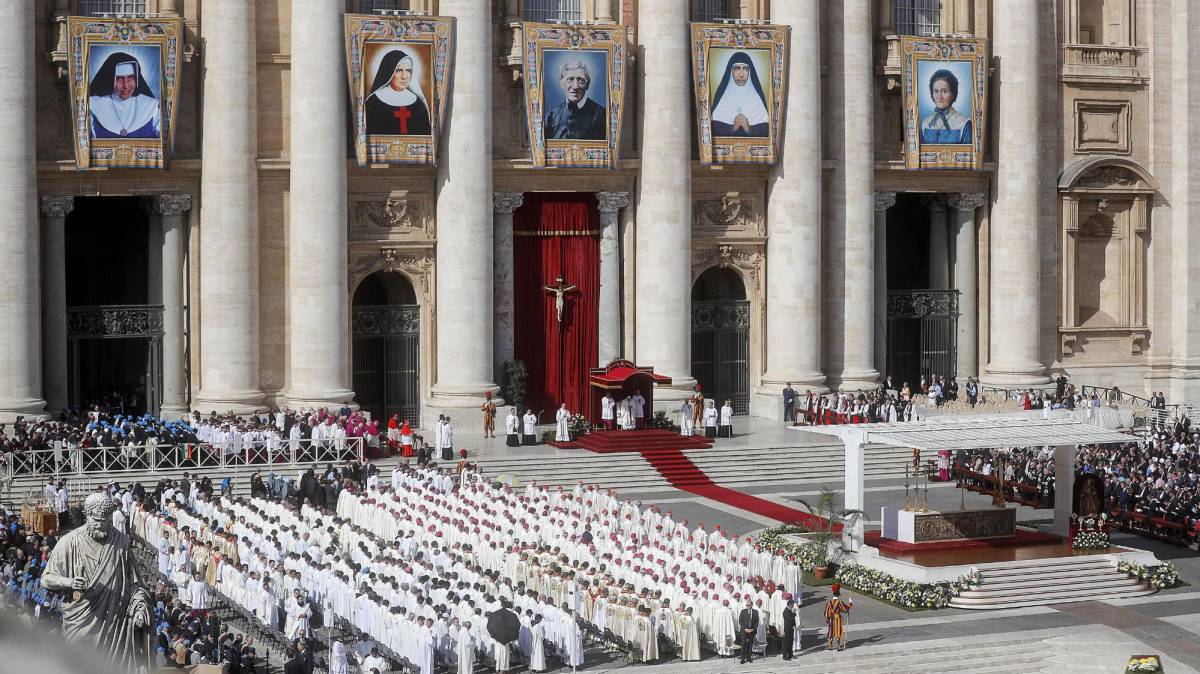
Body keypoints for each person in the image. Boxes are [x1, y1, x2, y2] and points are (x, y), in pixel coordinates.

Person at [42, 492, 155, 669]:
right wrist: (69, 582)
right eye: (96, 520)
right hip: (79, 620)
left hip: (113, 623)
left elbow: (134, 584)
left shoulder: (121, 542)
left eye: (105, 520)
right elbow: (46, 579)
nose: (101, 524)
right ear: (87, 515)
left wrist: (140, 606)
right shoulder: (69, 542)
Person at [88, 52, 161, 139]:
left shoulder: (151, 106)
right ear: (110, 79)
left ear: (137, 79)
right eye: (119, 79)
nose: (126, 86)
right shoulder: (93, 106)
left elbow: (163, 141)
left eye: (130, 77)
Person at [365, 49, 432, 135]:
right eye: (399, 70)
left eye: (408, 71)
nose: (404, 76)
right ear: (389, 73)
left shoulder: (418, 104)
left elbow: (425, 136)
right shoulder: (373, 102)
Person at [544, 58, 606, 140]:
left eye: (580, 80)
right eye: (570, 79)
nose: (575, 86)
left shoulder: (602, 116)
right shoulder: (551, 117)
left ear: (588, 84)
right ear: (561, 83)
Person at [710, 51, 769, 137]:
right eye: (737, 68)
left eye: (745, 69)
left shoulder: (758, 100)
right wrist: (732, 129)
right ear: (731, 71)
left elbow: (766, 133)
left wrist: (749, 129)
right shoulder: (722, 98)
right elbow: (712, 132)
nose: (741, 74)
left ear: (750, 72)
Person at [920, 69, 971, 144]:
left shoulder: (964, 124)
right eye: (936, 91)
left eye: (944, 91)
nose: (939, 97)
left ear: (953, 94)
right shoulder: (925, 123)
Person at [824, 583, 852, 651]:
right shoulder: (839, 602)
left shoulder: (829, 602)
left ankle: (830, 645)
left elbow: (827, 611)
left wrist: (827, 618)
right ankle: (838, 646)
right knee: (838, 631)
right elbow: (845, 609)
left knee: (831, 631)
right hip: (837, 619)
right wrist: (850, 603)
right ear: (838, 593)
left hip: (831, 619)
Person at [737, 598, 759, 663]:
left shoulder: (755, 612)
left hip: (751, 631)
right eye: (746, 605)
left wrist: (753, 629)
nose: (747, 606)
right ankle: (742, 659)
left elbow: (757, 622)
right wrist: (745, 628)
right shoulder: (743, 611)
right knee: (743, 644)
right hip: (744, 630)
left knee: (750, 644)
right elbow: (740, 621)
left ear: (751, 605)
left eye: (748, 605)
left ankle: (749, 658)